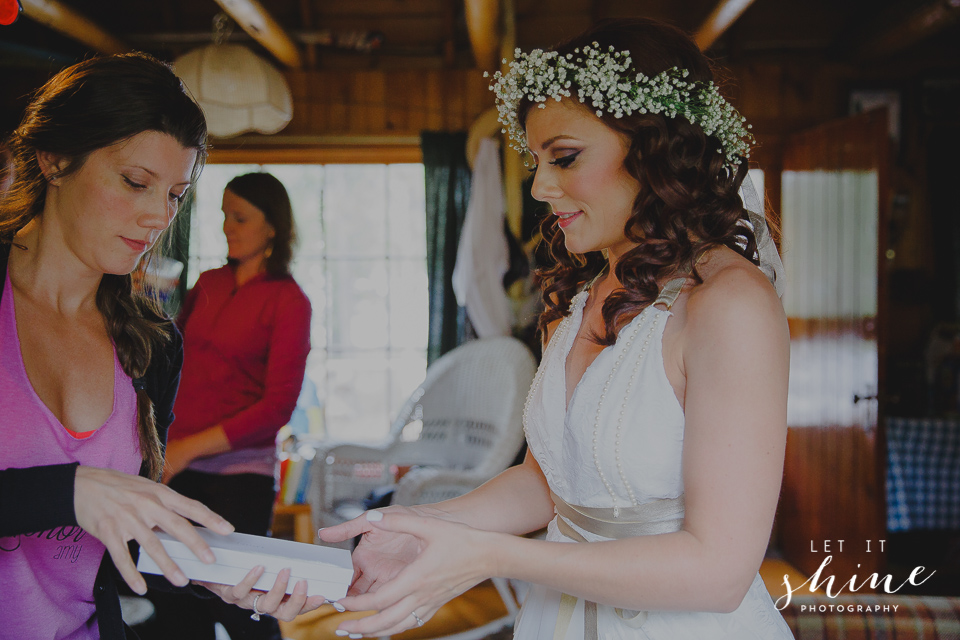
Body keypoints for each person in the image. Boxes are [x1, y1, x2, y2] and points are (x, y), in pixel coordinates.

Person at [319, 18, 794, 639]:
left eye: (565, 157)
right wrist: (419, 529)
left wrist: (490, 556)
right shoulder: (580, 295)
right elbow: (554, 481)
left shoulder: (728, 305)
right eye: (537, 161)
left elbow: (719, 572)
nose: (542, 187)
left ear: (656, 147)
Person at [0, 54, 322, 640]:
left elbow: (123, 534)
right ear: (54, 159)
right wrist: (65, 491)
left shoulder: (151, 343)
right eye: (134, 182)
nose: (157, 217)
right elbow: (81, 501)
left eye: (175, 194)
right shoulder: (209, 288)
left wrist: (215, 575)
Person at [143, 171, 312, 640]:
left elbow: (276, 407)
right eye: (223, 215)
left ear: (272, 226)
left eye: (239, 217)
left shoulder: (289, 300)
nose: (226, 226)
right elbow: (171, 361)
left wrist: (188, 448)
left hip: (239, 475)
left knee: (244, 607)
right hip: (175, 464)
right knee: (172, 600)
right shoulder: (208, 282)